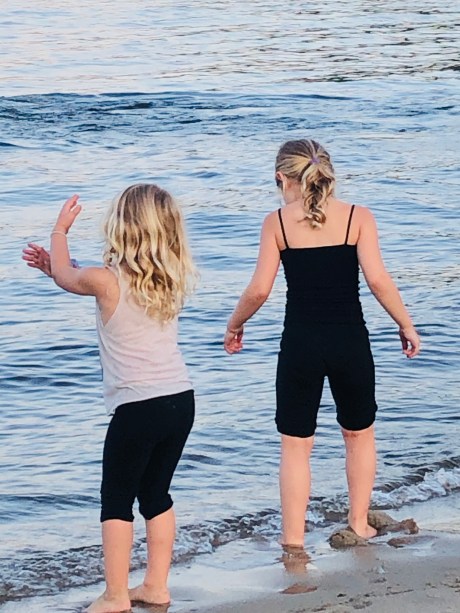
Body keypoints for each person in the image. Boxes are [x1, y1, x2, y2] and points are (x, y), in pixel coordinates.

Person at [224, 139, 420, 547]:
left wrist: (235, 324)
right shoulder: (357, 217)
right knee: (359, 435)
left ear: (282, 178)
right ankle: (359, 523)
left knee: (296, 446)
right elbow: (378, 280)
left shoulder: (276, 223)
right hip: (350, 342)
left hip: (300, 346)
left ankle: (293, 541)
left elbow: (259, 290)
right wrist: (405, 324)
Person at [23, 185, 197, 613]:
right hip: (179, 400)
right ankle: (155, 586)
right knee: (156, 494)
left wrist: (59, 232)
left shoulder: (106, 280)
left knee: (116, 500)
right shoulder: (170, 276)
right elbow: (74, 278)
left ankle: (116, 595)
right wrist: (57, 270)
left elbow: (73, 278)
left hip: (137, 407)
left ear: (122, 228)